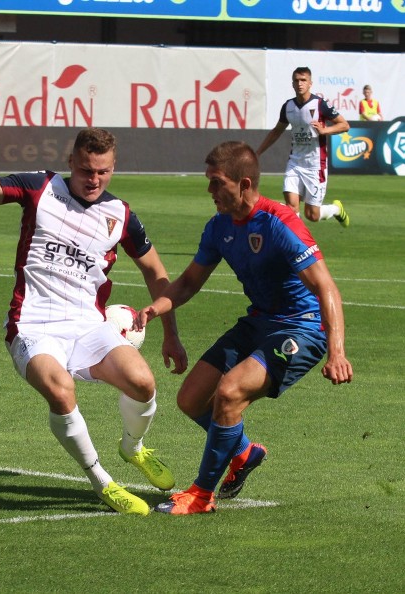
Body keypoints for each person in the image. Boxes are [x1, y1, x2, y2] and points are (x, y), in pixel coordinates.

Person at [0, 128, 188, 516]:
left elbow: (157, 273)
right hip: (33, 325)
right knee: (61, 390)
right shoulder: (40, 187)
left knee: (143, 382)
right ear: (71, 162)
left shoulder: (120, 214)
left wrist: (170, 334)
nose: (94, 180)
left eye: (103, 172)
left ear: (113, 168)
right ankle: (103, 482)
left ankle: (133, 448)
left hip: (89, 325)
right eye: (86, 170)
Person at [135, 141, 353, 515]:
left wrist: (337, 352)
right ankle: (245, 451)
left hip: (302, 328)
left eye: (217, 183)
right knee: (190, 399)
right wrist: (156, 309)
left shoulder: (279, 223)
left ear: (245, 183)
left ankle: (201, 495)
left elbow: (326, 287)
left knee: (230, 392)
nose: (210, 191)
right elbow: (188, 283)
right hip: (259, 321)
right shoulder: (220, 226)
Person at [256, 66, 350, 227]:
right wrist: (257, 153)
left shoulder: (320, 104)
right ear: (292, 84)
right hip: (295, 162)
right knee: (292, 208)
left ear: (310, 83)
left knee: (312, 215)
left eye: (303, 80)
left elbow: (344, 125)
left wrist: (324, 130)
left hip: (315, 165)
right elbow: (276, 131)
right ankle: (296, 247)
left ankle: (335, 209)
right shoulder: (288, 107)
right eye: (296, 80)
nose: (300, 84)